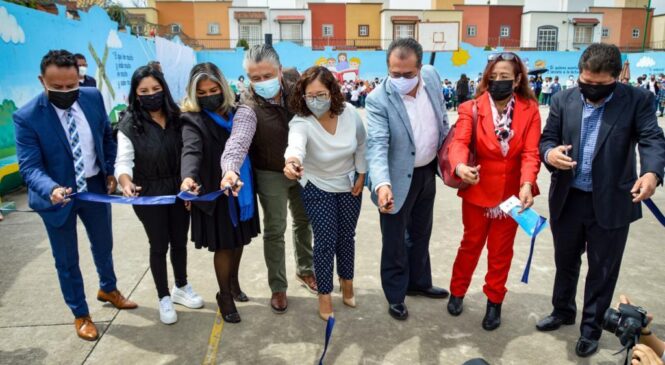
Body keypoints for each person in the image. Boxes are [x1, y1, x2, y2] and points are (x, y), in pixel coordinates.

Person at [537, 43, 665, 358]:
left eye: (600, 85)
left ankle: (590, 329)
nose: (591, 89)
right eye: (586, 82)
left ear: (617, 76)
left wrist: (651, 174)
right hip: (569, 198)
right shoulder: (563, 99)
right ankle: (562, 309)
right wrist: (550, 154)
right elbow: (548, 138)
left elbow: (651, 138)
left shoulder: (637, 100)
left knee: (602, 270)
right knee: (565, 261)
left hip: (611, 201)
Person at [13, 50, 136, 341]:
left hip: (93, 188)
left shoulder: (92, 97)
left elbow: (106, 135)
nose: (67, 92)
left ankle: (108, 288)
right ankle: (80, 314)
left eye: (72, 85)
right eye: (58, 87)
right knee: (67, 259)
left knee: (103, 244)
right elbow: (29, 167)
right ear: (42, 80)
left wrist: (108, 171)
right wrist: (50, 189)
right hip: (58, 197)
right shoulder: (27, 117)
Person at [446, 52, 542, 331]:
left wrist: (526, 183)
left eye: (505, 77)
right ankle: (457, 291)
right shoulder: (471, 108)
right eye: (494, 76)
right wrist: (460, 165)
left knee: (501, 252)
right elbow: (460, 142)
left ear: (518, 80)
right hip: (478, 190)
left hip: (512, 195)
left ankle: (494, 302)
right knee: (470, 245)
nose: (498, 81)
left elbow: (530, 152)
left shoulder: (530, 110)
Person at [224, 44, 315, 315]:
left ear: (279, 69)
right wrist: (230, 169)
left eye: (267, 75)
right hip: (270, 173)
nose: (261, 82)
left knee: (304, 222)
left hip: (302, 169)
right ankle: (278, 285)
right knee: (275, 230)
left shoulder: (295, 84)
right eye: (255, 77)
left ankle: (306, 270)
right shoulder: (248, 106)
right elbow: (237, 142)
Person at [365, 38, 450, 321]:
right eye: (395, 73)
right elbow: (376, 145)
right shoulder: (378, 99)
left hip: (427, 172)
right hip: (395, 179)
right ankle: (396, 295)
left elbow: (442, 119)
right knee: (395, 241)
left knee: (421, 233)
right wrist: (382, 185)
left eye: (408, 74)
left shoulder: (432, 78)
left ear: (420, 68)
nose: (400, 79)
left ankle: (419, 283)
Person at [114, 66, 203, 325]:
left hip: (178, 189)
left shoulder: (178, 117)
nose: (151, 95)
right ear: (135, 94)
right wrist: (126, 182)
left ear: (163, 88)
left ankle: (181, 287)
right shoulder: (129, 124)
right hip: (148, 193)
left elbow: (190, 151)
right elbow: (123, 162)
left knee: (179, 241)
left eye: (155, 89)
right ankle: (163, 296)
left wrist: (189, 183)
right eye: (144, 91)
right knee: (159, 244)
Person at [283, 66, 367, 320]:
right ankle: (325, 294)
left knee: (346, 236)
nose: (315, 101)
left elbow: (362, 144)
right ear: (302, 96)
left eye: (321, 94)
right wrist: (292, 162)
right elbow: (294, 146)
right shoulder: (301, 122)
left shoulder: (350, 114)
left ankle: (347, 282)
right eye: (310, 95)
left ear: (332, 92)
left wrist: (362, 174)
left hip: (349, 183)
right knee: (325, 241)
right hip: (317, 185)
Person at [180, 62, 261, 323]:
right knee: (225, 245)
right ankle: (224, 295)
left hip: (240, 190)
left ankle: (234, 284)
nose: (207, 96)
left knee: (239, 241)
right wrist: (188, 177)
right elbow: (190, 150)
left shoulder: (237, 113)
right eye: (201, 93)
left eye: (212, 89)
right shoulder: (192, 119)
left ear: (222, 87)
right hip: (215, 194)